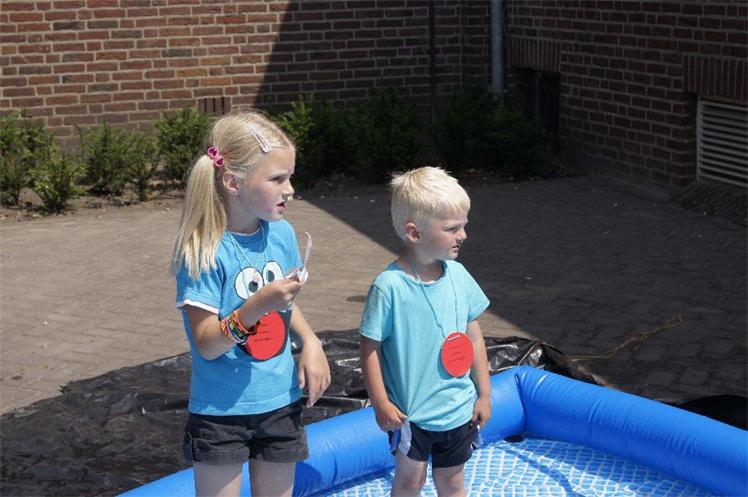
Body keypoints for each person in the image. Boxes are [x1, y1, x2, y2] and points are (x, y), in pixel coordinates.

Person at [171, 111, 331, 497]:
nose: (290, 189)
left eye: (290, 176)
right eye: (277, 179)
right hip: (221, 413)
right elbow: (207, 344)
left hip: (280, 402)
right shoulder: (203, 252)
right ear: (233, 182)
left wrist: (310, 341)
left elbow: (284, 306)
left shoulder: (281, 234)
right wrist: (256, 306)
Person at [359, 166, 492, 497]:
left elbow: (474, 337)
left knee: (453, 481)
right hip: (411, 414)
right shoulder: (390, 287)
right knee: (410, 482)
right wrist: (380, 402)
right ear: (414, 233)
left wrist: (484, 394)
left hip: (458, 408)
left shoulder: (459, 276)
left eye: (463, 225)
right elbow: (370, 348)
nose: (463, 235)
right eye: (452, 228)